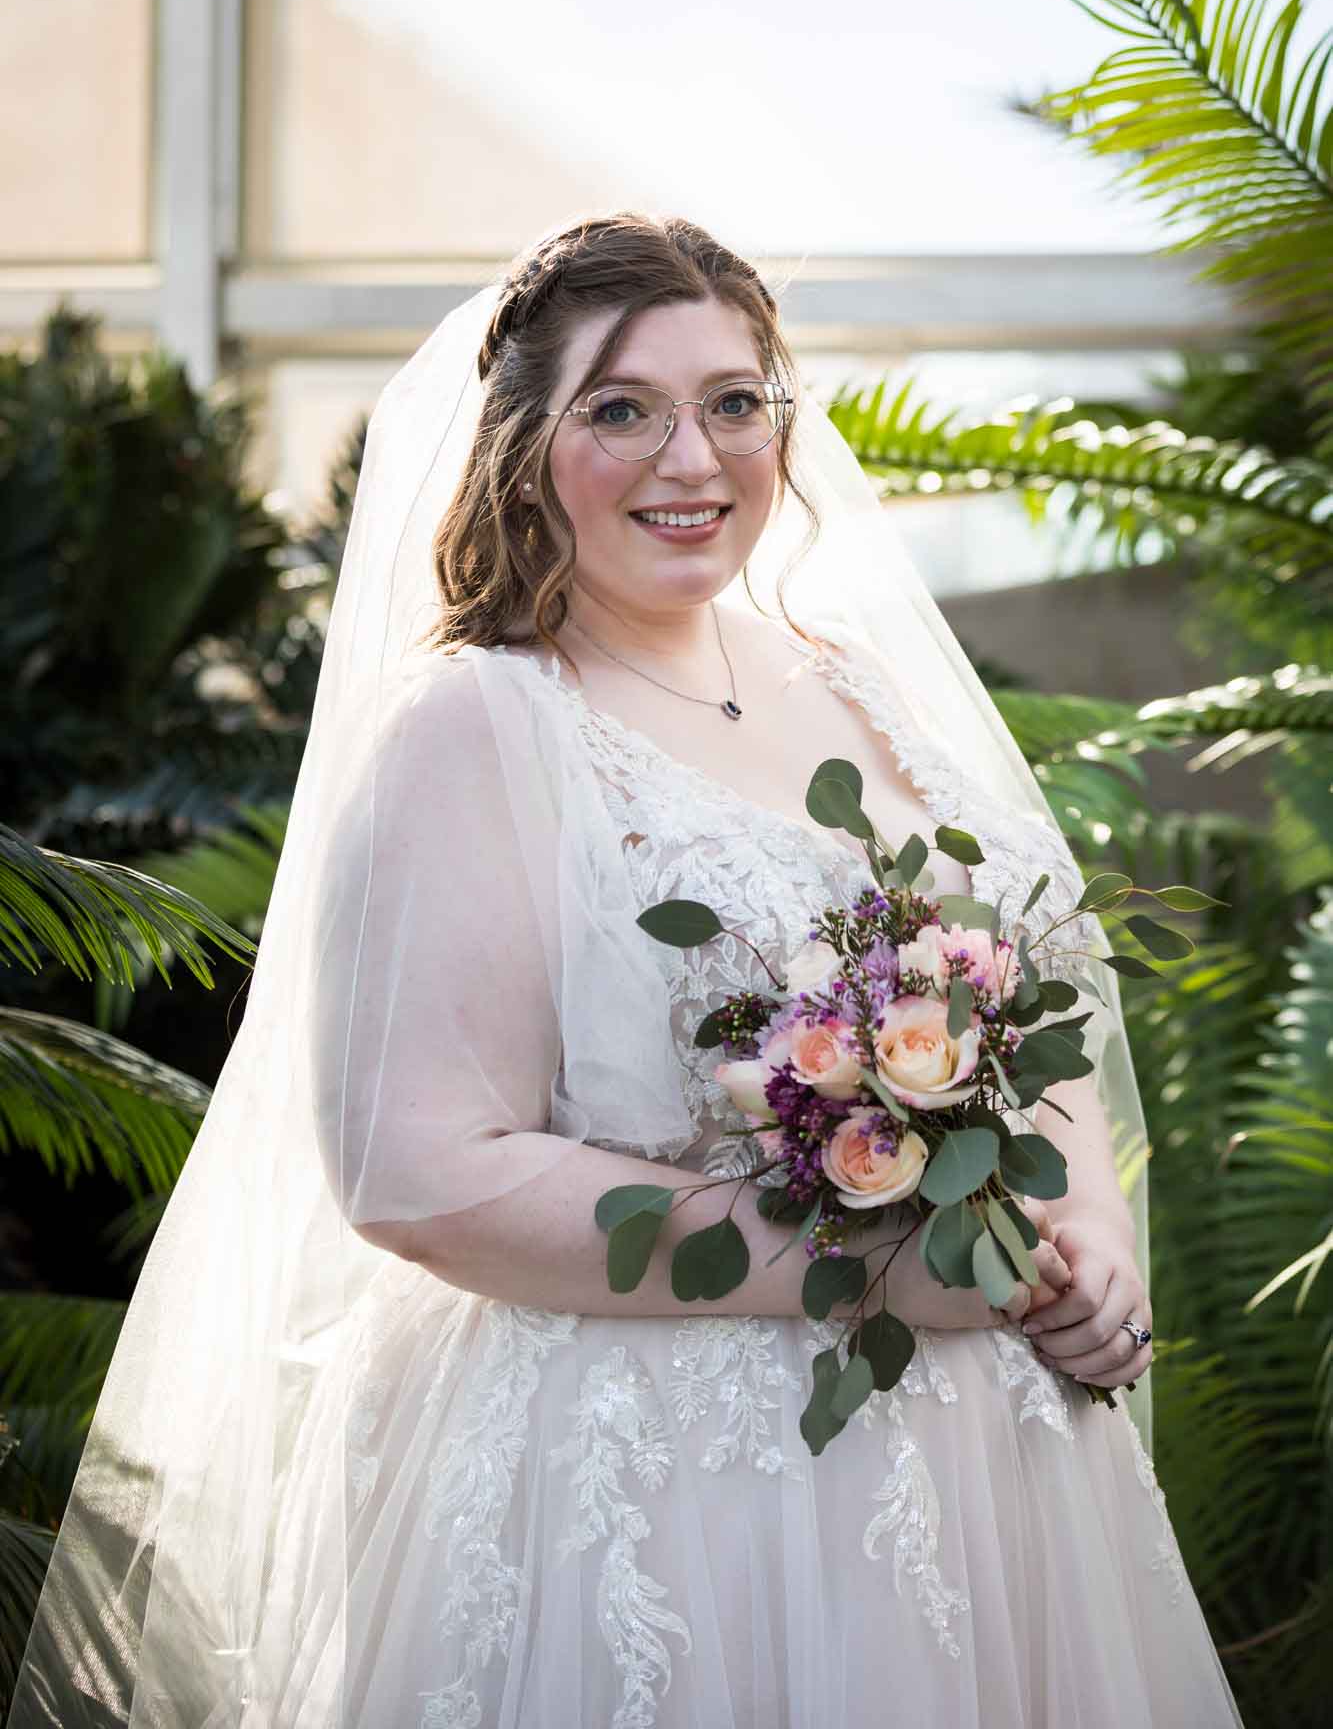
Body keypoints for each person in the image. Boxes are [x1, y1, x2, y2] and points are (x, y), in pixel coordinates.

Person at [7, 213, 1243, 1727]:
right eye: (621, 409)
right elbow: (417, 1175)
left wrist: (1089, 1247)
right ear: (523, 445)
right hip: (656, 1499)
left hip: (995, 1490)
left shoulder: (864, 691)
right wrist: (876, 1272)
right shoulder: (478, 729)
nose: (692, 458)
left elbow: (1024, 1019)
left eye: (734, 402)